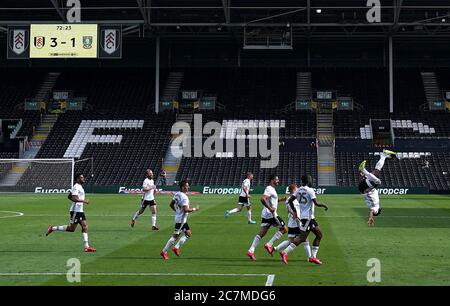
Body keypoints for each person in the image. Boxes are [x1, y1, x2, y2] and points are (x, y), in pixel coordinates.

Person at [280, 175, 328, 265]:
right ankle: (285, 252)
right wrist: (324, 205)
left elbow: (290, 201)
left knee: (319, 235)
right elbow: (316, 203)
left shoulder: (298, 190)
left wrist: (294, 211)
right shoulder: (310, 190)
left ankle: (313, 257)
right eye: (310, 179)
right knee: (302, 238)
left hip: (307, 218)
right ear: (308, 181)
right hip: (308, 218)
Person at [45, 174, 96, 252]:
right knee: (72, 229)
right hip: (75, 210)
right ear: (77, 179)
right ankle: (53, 228)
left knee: (85, 226)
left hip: (80, 210)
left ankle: (86, 247)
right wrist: (84, 201)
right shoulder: (76, 187)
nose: (83, 178)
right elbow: (74, 198)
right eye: (81, 177)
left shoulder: (79, 186)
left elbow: (69, 196)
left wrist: (77, 201)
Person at [246, 174, 287, 261]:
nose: (278, 181)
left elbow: (271, 200)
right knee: (284, 229)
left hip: (266, 215)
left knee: (261, 233)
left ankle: (251, 250)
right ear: (272, 180)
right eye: (276, 179)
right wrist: (270, 209)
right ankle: (269, 244)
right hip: (271, 215)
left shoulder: (272, 189)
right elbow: (263, 199)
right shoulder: (269, 188)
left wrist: (280, 200)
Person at [160, 180, 200, 260]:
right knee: (175, 236)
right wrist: (195, 208)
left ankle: (176, 247)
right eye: (187, 186)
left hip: (181, 219)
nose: (188, 187)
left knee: (188, 233)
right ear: (182, 187)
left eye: (188, 186)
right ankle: (164, 252)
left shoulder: (177, 194)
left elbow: (171, 204)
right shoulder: (184, 197)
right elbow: (186, 210)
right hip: (181, 220)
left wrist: (177, 211)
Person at [273, 184, 311, 260]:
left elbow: (289, 207)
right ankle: (310, 257)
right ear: (293, 190)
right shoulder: (292, 200)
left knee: (291, 241)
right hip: (297, 223)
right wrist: (297, 218)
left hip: (291, 224)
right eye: (296, 188)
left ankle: (276, 248)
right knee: (305, 240)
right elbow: (291, 211)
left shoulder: (290, 199)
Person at [358, 149, 396, 226]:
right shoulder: (375, 205)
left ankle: (363, 170)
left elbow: (372, 211)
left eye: (379, 211)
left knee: (378, 181)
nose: (380, 210)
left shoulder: (375, 208)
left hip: (365, 188)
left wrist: (371, 218)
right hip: (366, 187)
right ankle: (383, 156)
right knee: (377, 170)